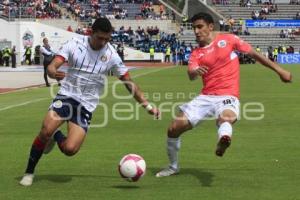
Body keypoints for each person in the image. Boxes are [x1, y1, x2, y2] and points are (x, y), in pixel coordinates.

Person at [19, 18, 160, 186]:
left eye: (107, 39)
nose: (103, 42)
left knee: (70, 149)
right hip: (67, 96)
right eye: (100, 38)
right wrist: (52, 71)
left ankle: (56, 136)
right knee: (44, 131)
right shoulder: (74, 43)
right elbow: (53, 66)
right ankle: (29, 172)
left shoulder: (112, 55)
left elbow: (129, 83)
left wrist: (147, 105)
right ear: (91, 32)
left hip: (86, 105)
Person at [156, 12, 292, 178]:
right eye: (194, 28)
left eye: (200, 27)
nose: (196, 31)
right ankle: (173, 167)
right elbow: (191, 74)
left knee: (226, 118)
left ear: (210, 27)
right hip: (206, 97)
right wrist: (196, 71)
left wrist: (280, 70)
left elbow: (254, 55)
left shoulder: (229, 39)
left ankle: (224, 139)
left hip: (228, 94)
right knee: (173, 129)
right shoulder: (196, 53)